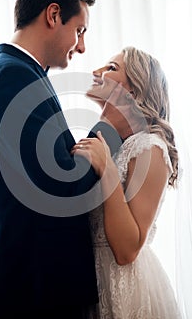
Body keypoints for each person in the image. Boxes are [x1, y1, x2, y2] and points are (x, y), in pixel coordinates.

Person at [0, 0, 123, 319]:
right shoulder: (12, 77)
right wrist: (109, 130)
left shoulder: (17, 74)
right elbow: (55, 187)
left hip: (23, 289)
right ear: (52, 15)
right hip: (27, 297)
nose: (81, 47)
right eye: (79, 30)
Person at [72, 47, 182, 318]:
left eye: (111, 68)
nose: (96, 72)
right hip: (89, 284)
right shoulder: (110, 142)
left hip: (125, 288)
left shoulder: (149, 148)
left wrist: (108, 169)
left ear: (133, 92)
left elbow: (127, 250)